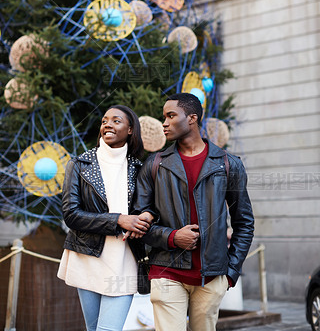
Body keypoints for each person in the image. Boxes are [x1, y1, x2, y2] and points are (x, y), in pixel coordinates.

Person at [131, 93, 254, 331]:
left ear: (192, 119)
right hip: (165, 270)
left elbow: (244, 221)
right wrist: (172, 237)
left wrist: (230, 272)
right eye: (163, 116)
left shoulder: (228, 164)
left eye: (170, 115)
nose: (164, 123)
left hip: (211, 276)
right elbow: (139, 221)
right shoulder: (155, 164)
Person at [57, 105, 153, 331]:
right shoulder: (79, 164)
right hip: (87, 257)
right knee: (93, 328)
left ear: (130, 129)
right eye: (104, 121)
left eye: (116, 121)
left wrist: (147, 216)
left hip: (125, 259)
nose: (107, 124)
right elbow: (71, 214)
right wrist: (118, 220)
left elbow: (151, 207)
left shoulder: (141, 168)